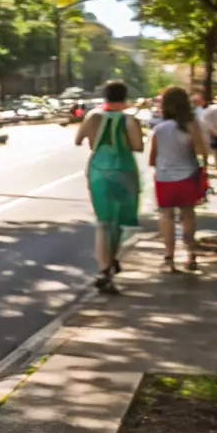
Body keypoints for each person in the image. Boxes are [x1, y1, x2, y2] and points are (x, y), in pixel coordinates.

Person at [76, 80, 143, 294]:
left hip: (98, 170)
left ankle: (104, 269)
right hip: (123, 170)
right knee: (119, 221)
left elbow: (78, 140)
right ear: (124, 96)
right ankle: (110, 263)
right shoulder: (129, 120)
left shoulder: (92, 116)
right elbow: (138, 146)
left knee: (103, 222)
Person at [150, 86, 209, 273]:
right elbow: (202, 151)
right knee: (188, 216)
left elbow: (152, 159)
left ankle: (169, 258)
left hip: (164, 177)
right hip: (188, 176)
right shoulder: (192, 125)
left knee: (166, 215)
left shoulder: (159, 128)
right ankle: (191, 254)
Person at [193, 91, 217, 189]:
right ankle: (208, 178)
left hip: (214, 136)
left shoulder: (210, 110)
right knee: (213, 157)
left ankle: (216, 178)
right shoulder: (204, 110)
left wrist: (214, 131)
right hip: (211, 137)